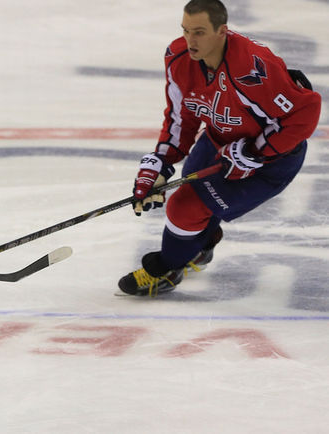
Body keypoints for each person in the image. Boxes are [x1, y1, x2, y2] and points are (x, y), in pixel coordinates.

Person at [118, 0, 321, 297]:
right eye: (186, 31)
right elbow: (181, 118)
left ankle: (168, 268)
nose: (190, 40)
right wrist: (160, 163)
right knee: (193, 187)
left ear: (222, 31)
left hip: (272, 161)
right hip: (218, 141)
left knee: (185, 207)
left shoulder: (252, 67)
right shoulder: (178, 57)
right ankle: (199, 246)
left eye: (199, 32)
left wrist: (255, 152)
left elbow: (305, 112)